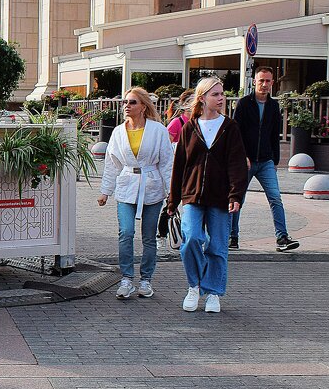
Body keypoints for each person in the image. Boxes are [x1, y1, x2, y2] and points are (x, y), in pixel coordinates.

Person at [166, 76, 248, 314]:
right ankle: (194, 285)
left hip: (221, 197)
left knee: (218, 247)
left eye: (222, 94)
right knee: (191, 238)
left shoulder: (230, 127)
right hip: (192, 195)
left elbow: (237, 164)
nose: (221, 98)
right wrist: (172, 200)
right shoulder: (189, 127)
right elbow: (179, 164)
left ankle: (213, 293)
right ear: (202, 98)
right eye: (216, 94)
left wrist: (235, 196)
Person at [98, 88, 174, 299]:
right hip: (126, 185)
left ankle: (146, 280)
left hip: (152, 187)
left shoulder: (158, 130)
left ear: (143, 106)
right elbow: (112, 163)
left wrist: (171, 193)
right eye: (125, 102)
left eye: (132, 102)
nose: (126, 106)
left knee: (149, 236)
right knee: (126, 233)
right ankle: (126, 278)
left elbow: (167, 163)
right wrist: (105, 191)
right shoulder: (117, 132)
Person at [232, 68, 299, 252]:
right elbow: (235, 133)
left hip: (266, 161)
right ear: (254, 81)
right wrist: (241, 156)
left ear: (272, 83)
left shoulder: (273, 106)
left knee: (275, 198)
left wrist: (275, 160)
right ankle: (232, 236)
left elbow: (273, 134)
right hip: (245, 161)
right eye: (261, 80)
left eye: (268, 81)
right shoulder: (244, 104)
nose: (264, 85)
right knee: (238, 198)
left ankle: (282, 237)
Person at [156, 89, 193, 254]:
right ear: (185, 105)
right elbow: (165, 148)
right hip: (176, 171)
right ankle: (161, 235)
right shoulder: (177, 123)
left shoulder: (200, 122)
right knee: (171, 205)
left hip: (192, 172)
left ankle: (189, 238)